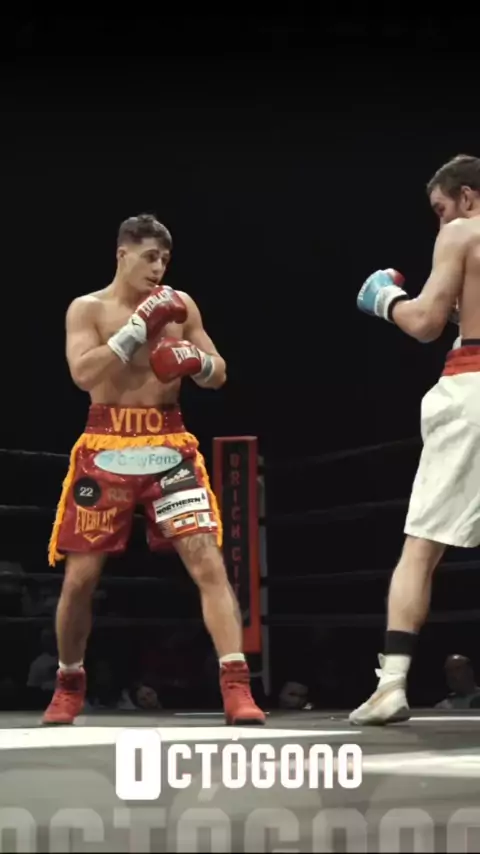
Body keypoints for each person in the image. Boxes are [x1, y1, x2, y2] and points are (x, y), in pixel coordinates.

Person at [44, 213, 265, 727]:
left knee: (207, 561)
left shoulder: (181, 305)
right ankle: (68, 683)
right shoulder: (88, 308)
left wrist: (195, 361)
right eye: (149, 257)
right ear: (122, 254)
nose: (158, 268)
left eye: (165, 258)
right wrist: (136, 330)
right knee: (80, 578)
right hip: (106, 444)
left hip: (169, 443)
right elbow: (82, 373)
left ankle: (237, 686)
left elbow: (219, 372)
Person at [350, 154, 480, 725]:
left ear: (467, 196)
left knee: (421, 547)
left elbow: (425, 322)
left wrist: (386, 300)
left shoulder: (463, 232)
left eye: (441, 207)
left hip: (471, 390)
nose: (440, 220)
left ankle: (392, 685)